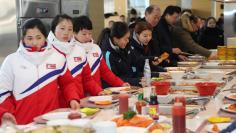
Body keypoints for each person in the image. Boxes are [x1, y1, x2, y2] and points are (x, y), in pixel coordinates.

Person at [0, 18, 80, 124]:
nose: (34, 42)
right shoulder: (11, 61)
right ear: (23, 39)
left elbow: (68, 83)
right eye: (29, 38)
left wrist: (73, 98)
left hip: (51, 121)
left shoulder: (58, 57)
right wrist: (5, 112)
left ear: (45, 38)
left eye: (38, 37)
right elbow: (3, 93)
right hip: (22, 122)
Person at [47, 14, 102, 104]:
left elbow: (87, 79)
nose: (66, 32)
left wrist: (100, 92)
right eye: (62, 28)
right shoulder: (46, 52)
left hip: (77, 103)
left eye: (70, 29)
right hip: (54, 107)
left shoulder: (79, 51)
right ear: (53, 29)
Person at [72, 16, 128, 88]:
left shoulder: (95, 48)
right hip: (78, 96)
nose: (88, 37)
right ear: (74, 33)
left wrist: (121, 83)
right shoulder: (70, 51)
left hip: (96, 94)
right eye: (84, 34)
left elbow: (105, 72)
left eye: (90, 33)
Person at [98, 22, 142, 86]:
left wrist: (142, 78)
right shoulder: (107, 54)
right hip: (113, 89)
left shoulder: (124, 46)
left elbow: (134, 64)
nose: (128, 41)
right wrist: (137, 81)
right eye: (125, 39)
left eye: (128, 38)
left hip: (127, 84)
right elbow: (112, 79)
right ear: (115, 39)